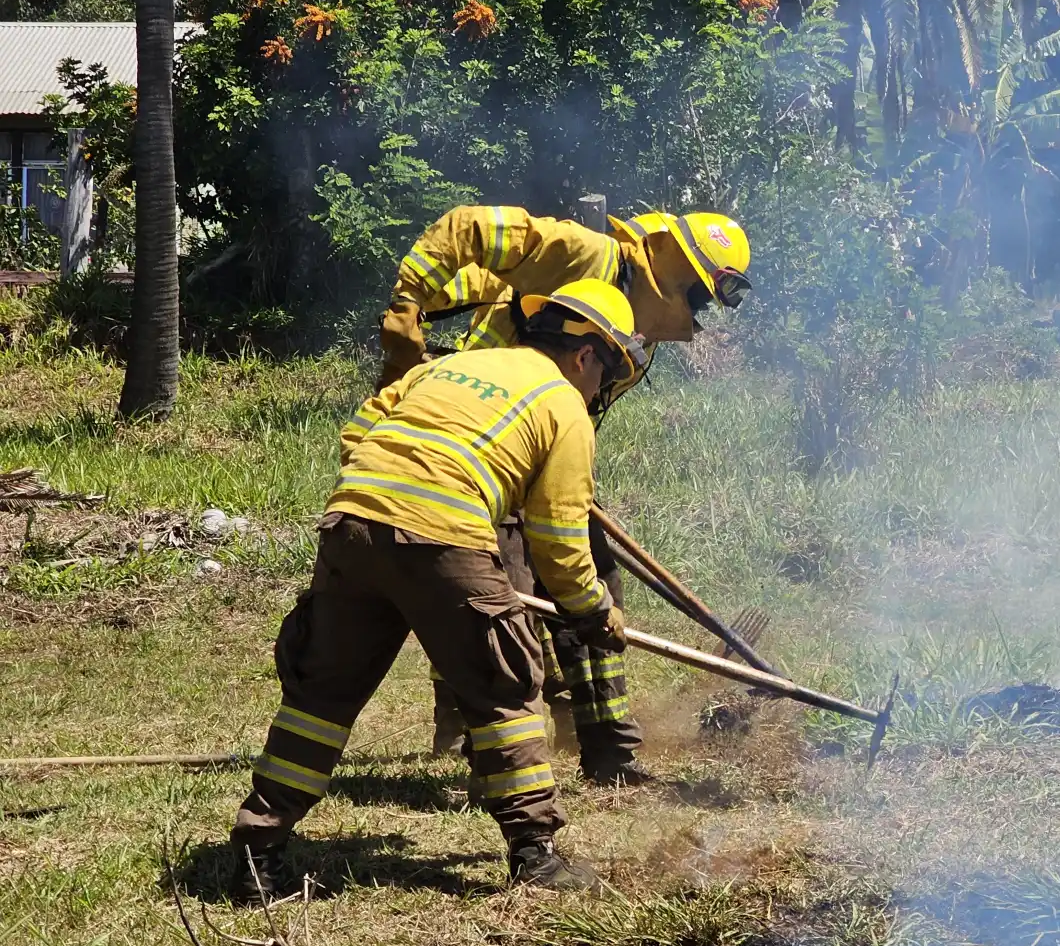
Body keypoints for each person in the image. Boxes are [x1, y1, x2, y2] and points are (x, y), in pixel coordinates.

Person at [228, 279, 647, 900]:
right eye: (604, 378)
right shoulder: (563, 405)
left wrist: (391, 493)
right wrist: (592, 608)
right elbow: (558, 535)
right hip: (443, 533)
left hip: (352, 521)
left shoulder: (448, 368)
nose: (597, 393)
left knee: (321, 695)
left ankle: (258, 852)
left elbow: (361, 430)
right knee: (502, 689)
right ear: (586, 355)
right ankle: (535, 853)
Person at [376, 206, 752, 784]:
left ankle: (607, 752)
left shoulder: (640, 330)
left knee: (595, 591)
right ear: (672, 271)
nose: (697, 316)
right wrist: (410, 305)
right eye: (699, 298)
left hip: (544, 459)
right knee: (500, 601)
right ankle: (488, 751)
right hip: (484, 458)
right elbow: (470, 231)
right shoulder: (586, 256)